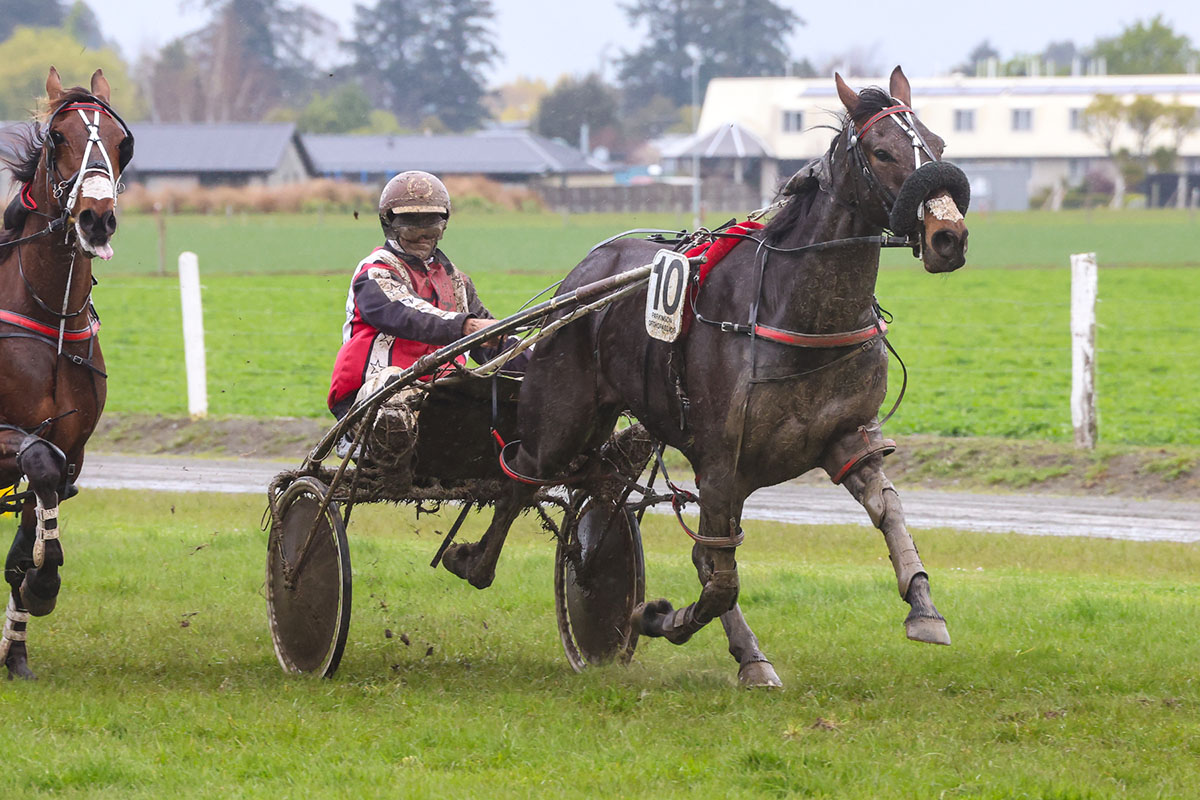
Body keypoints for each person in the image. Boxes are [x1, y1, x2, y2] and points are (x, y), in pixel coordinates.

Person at [327, 171, 521, 461]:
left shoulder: (457, 281)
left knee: (500, 389)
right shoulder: (375, 271)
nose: (422, 232)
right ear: (389, 223)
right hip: (371, 395)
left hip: (441, 395)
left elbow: (493, 342)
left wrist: (546, 361)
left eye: (431, 222)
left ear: (444, 223)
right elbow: (406, 313)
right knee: (394, 382)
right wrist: (467, 326)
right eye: (411, 223)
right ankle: (359, 439)